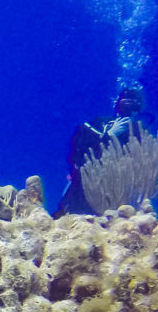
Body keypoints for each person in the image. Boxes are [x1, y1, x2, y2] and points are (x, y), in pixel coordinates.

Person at [55, 88, 152, 216]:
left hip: (119, 200)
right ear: (117, 105)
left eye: (132, 106)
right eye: (125, 104)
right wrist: (109, 136)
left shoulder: (140, 134)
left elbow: (146, 168)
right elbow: (78, 156)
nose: (128, 112)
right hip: (81, 193)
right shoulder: (98, 125)